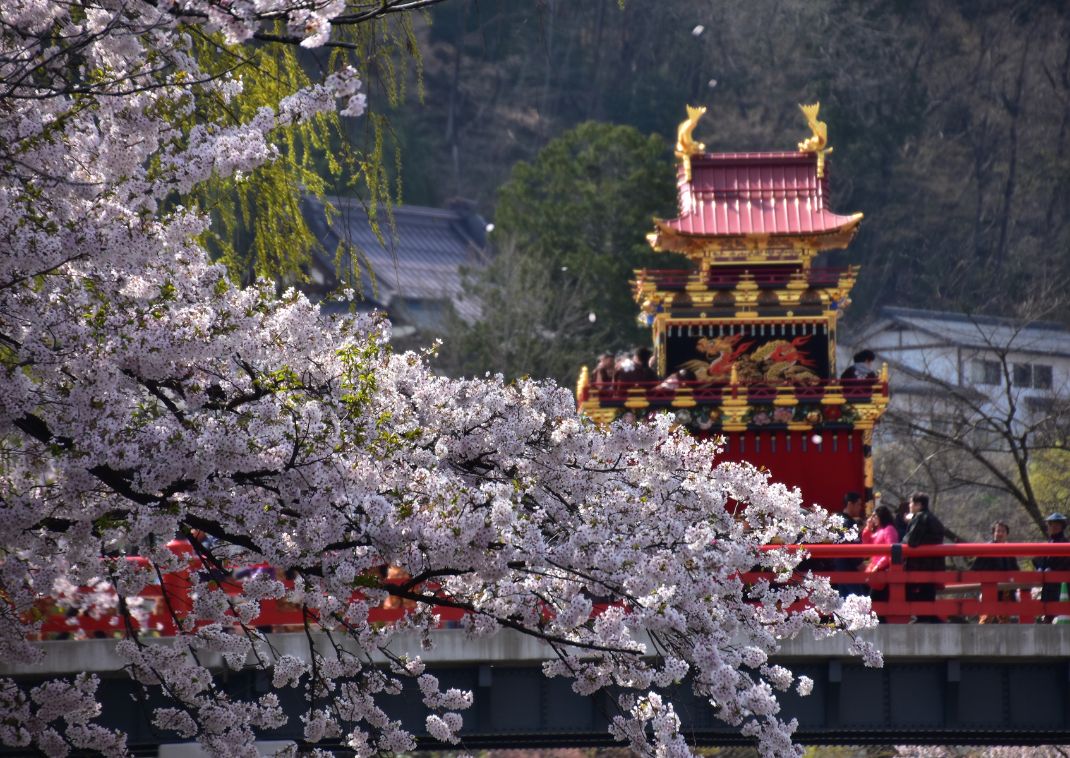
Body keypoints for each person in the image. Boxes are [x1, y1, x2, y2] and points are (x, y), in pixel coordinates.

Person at [902, 491, 945, 622]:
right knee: (927, 596)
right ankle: (928, 619)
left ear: (918, 505)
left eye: (911, 503)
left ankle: (925, 619)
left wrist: (909, 523)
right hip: (933, 566)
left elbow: (910, 541)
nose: (909, 505)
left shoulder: (920, 518)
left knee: (907, 593)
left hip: (919, 566)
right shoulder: (934, 519)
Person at [971, 521, 1019, 624]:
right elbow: (976, 569)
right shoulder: (987, 548)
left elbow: (1015, 570)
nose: (1000, 534)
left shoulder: (1010, 550)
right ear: (994, 533)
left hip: (1006, 590)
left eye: (1003, 531)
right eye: (998, 531)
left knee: (1005, 619)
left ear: (1007, 534)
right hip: (990, 588)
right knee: (986, 617)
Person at [862, 505, 901, 620]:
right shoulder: (878, 531)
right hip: (875, 570)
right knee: (875, 604)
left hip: (882, 570)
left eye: (874, 516)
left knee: (875, 602)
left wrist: (879, 565)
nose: (872, 518)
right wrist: (867, 530)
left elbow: (891, 551)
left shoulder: (889, 529)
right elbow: (866, 547)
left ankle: (878, 624)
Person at [832, 492, 867, 597]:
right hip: (850, 568)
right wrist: (859, 564)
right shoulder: (848, 523)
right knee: (858, 600)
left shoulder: (837, 520)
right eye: (858, 504)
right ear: (850, 504)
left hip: (839, 567)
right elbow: (851, 547)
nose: (860, 508)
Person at [1036, 513, 1070, 615]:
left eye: (1057, 525)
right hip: (1048, 586)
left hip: (1061, 585)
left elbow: (1064, 563)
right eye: (1051, 525)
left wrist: (1051, 569)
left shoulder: (1065, 543)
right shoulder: (1049, 543)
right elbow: (1040, 561)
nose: (1054, 527)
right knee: (1048, 613)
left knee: (1061, 613)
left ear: (1062, 526)